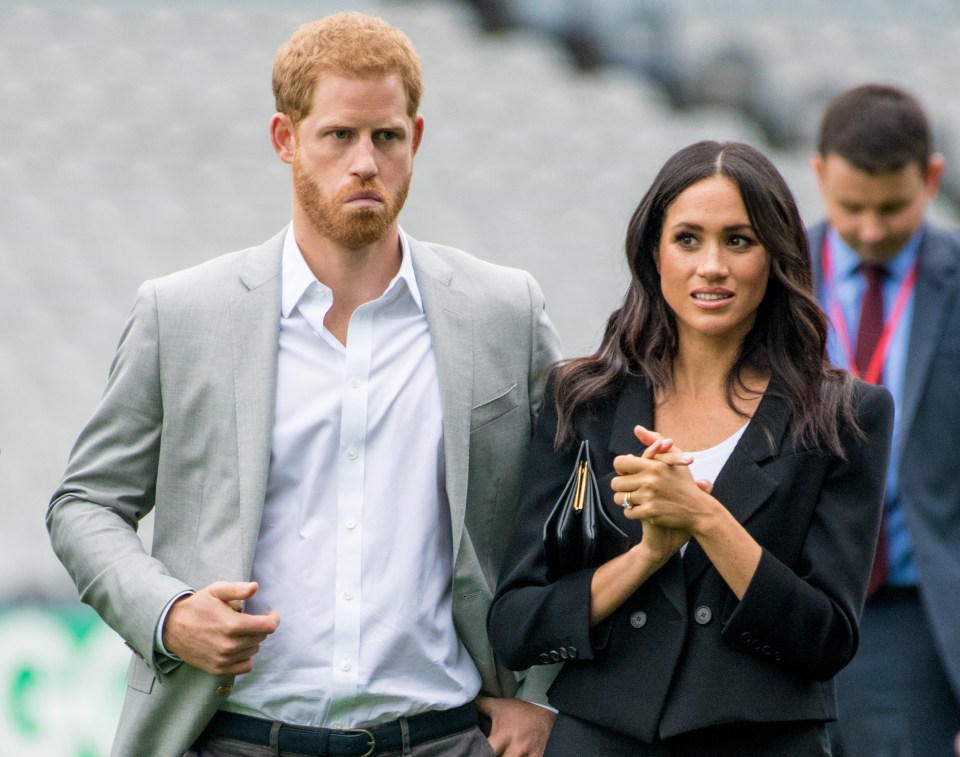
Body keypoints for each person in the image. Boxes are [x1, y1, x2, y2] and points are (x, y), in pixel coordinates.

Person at [46, 12, 561, 757]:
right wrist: (170, 613)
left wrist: (540, 697)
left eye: (386, 137)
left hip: (444, 739)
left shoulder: (504, 311)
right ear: (287, 139)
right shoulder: (184, 312)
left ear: (414, 139)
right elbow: (85, 503)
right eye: (339, 136)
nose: (365, 163)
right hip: (232, 737)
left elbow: (568, 516)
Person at [488, 140, 894, 756]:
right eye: (688, 239)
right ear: (654, 255)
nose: (712, 265)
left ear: (774, 257)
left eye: (739, 240)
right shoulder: (583, 400)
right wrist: (647, 557)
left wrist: (703, 517)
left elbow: (827, 640)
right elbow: (516, 627)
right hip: (599, 740)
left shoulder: (846, 414)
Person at [809, 82, 960, 756]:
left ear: (932, 178)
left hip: (910, 620)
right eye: (850, 208)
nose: (870, 230)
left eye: (892, 208)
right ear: (818, 175)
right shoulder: (763, 277)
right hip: (778, 605)